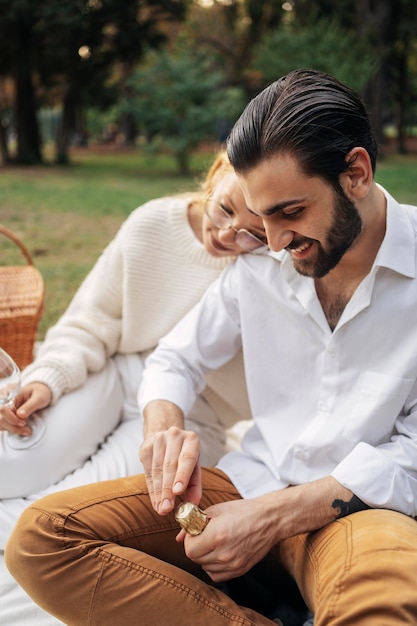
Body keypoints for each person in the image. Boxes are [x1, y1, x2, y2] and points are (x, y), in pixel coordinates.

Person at [6, 68, 417, 625]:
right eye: (259, 218)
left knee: (379, 610)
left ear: (357, 174)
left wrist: (272, 518)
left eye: (290, 213)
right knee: (42, 539)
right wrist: (162, 432)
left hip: (357, 512)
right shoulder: (263, 264)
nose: (271, 244)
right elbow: (177, 358)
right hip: (241, 486)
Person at [0, 151, 266, 624]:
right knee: (11, 462)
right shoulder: (152, 225)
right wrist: (49, 376)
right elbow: (88, 321)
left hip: (188, 416)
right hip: (113, 374)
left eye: (252, 231)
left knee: (57, 515)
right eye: (224, 210)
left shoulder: (274, 271)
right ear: (215, 173)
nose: (227, 235)